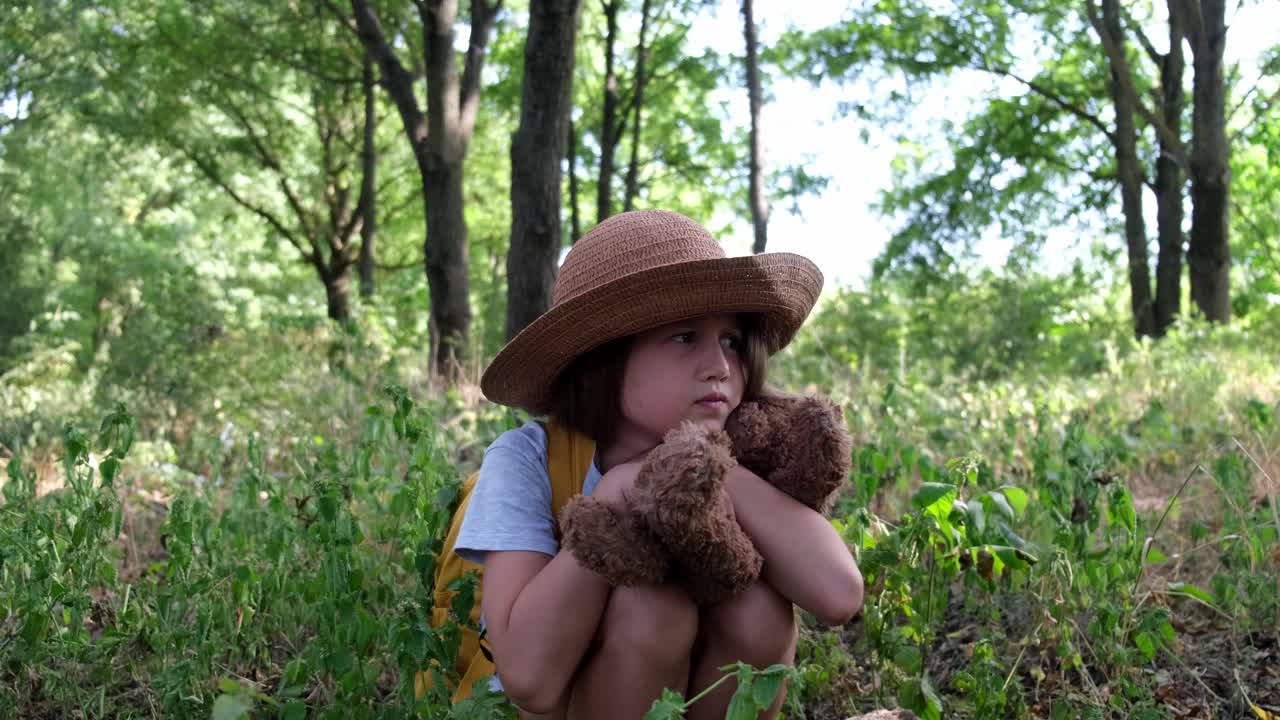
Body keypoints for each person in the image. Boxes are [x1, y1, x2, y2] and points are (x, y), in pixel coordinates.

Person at [454, 209, 863, 719]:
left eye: (731, 341)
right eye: (685, 337)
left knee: (760, 611)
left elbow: (839, 593)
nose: (720, 366)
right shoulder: (527, 459)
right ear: (605, 355)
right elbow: (529, 682)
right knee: (653, 607)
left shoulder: (740, 443)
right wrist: (619, 490)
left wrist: (705, 468)